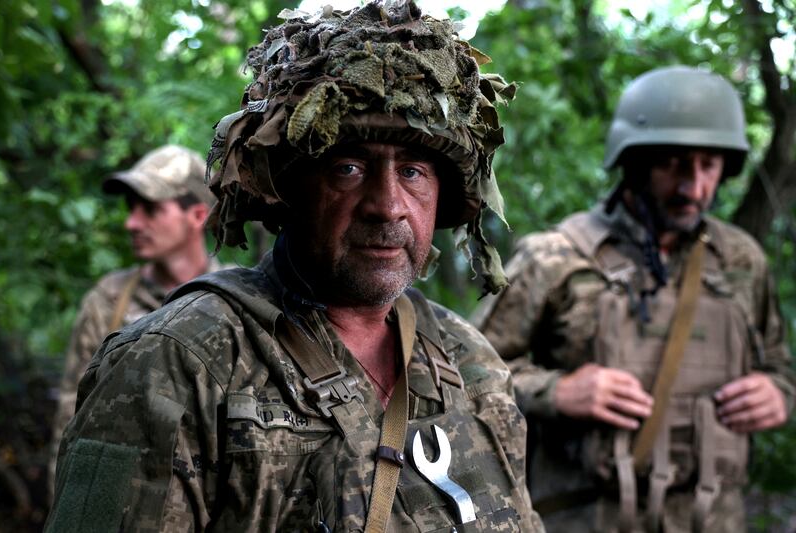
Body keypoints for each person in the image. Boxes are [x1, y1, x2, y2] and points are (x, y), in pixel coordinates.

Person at [46, 3, 544, 532]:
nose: (388, 204)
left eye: (414, 172)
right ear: (291, 188)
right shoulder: (181, 361)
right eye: (349, 168)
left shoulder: (470, 360)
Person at [472, 66, 794, 532]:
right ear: (634, 161)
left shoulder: (740, 260)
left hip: (713, 518)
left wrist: (778, 394)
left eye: (709, 165)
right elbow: (468, 374)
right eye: (673, 164)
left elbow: (779, 367)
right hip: (586, 516)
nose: (694, 187)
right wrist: (557, 392)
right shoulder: (557, 258)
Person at [48, 144, 222, 494]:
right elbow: (72, 421)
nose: (131, 222)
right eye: (131, 208)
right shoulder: (108, 301)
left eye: (151, 209)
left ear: (198, 215)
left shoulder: (236, 304)